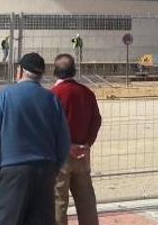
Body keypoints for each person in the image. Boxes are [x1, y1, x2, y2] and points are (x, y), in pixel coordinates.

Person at [0, 52, 70, 225]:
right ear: (41, 74)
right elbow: (64, 141)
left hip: (13, 172)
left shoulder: (5, 96)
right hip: (45, 171)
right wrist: (55, 168)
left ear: (20, 70)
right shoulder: (52, 99)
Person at [50, 53, 102, 225]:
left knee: (58, 202)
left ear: (54, 71)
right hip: (83, 154)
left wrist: (66, 146)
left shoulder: (53, 95)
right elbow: (96, 120)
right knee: (86, 200)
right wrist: (87, 143)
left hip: (60, 156)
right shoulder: (87, 93)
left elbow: (50, 127)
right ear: (74, 71)